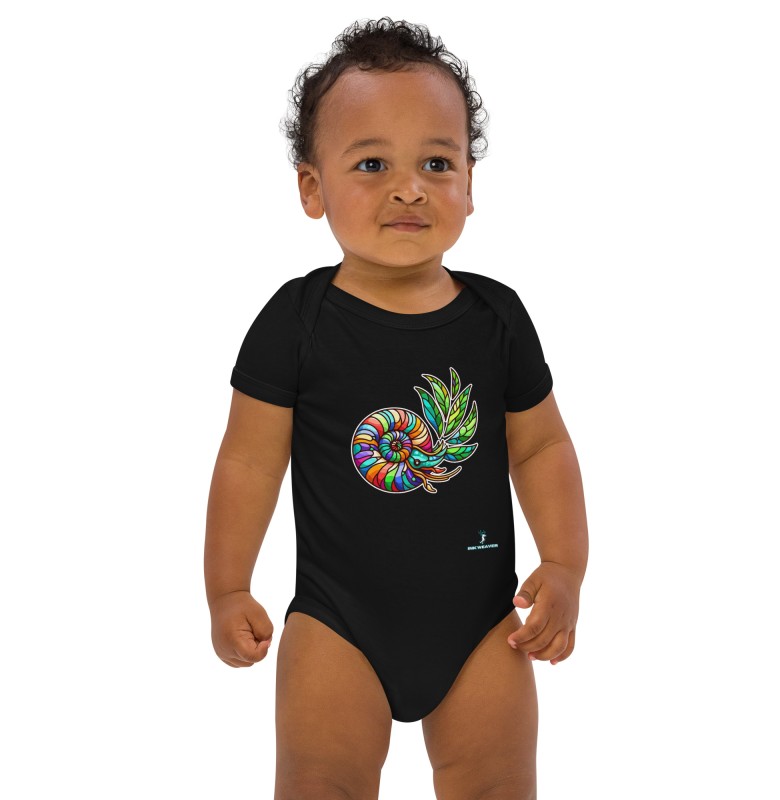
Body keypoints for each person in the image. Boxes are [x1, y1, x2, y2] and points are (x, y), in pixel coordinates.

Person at [205, 16, 588, 800]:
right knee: (320, 783)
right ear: (313, 188)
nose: (409, 187)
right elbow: (247, 461)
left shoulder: (497, 319)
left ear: (470, 186)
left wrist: (565, 564)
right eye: (372, 163)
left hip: (483, 626)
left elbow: (541, 447)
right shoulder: (296, 322)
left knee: (497, 784)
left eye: (437, 163)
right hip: (337, 626)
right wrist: (226, 587)